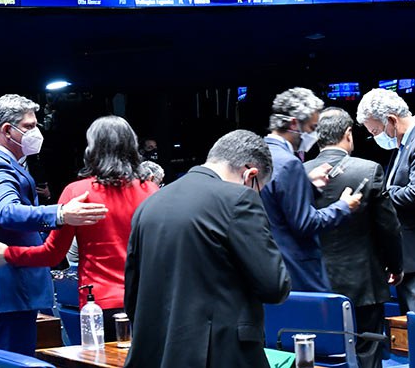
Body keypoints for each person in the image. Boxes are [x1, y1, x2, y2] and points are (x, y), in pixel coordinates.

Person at [0, 115, 158, 342]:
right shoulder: (152, 191)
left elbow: (52, 255)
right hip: (148, 303)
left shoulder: (78, 193)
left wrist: (7, 254)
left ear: (93, 149)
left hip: (98, 305)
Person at [124, 130, 290, 368]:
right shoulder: (239, 199)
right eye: (259, 188)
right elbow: (274, 286)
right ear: (250, 174)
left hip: (155, 354)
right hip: (221, 356)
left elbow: (132, 294)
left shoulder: (149, 205)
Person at [0, 94, 108, 356]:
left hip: (9, 288)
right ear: (7, 130)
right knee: (14, 362)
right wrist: (61, 213)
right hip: (10, 288)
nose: (36, 132)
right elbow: (7, 212)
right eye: (29, 126)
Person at [305, 108, 402, 368]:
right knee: (367, 351)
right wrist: (396, 266)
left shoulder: (299, 174)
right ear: (348, 134)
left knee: (319, 355)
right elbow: (388, 228)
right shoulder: (369, 170)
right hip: (363, 283)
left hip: (313, 283)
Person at [356, 88, 415, 313]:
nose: (375, 137)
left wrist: (378, 194)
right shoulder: (405, 143)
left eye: (375, 130)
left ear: (391, 120)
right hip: (413, 258)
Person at [261, 87, 362, 291]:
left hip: (269, 266)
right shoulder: (290, 163)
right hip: (298, 270)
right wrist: (343, 206)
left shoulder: (261, 152)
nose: (314, 135)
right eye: (312, 127)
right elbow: (305, 223)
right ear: (293, 123)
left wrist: (306, 184)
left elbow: (275, 203)